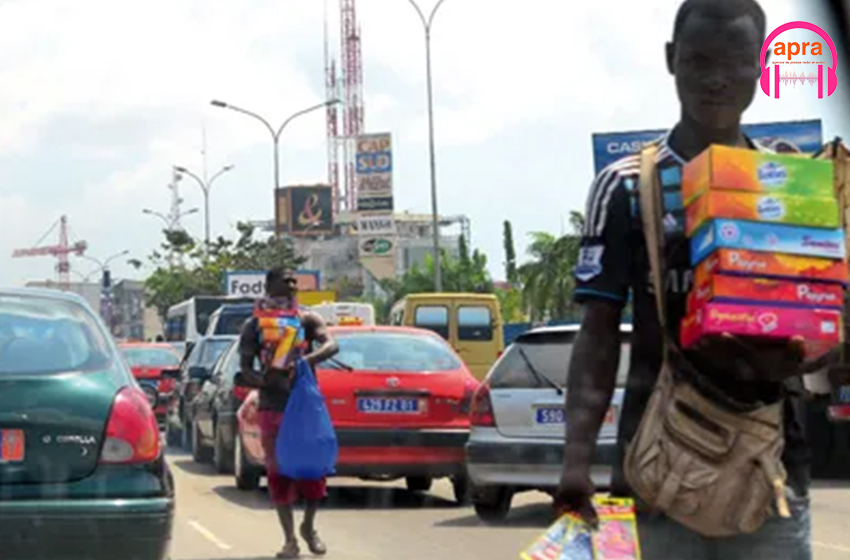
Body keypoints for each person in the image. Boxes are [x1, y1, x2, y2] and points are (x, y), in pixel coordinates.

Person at [555, 1, 819, 558]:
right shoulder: (627, 185)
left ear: (762, 64)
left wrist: (804, 356)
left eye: (735, 61)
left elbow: (823, 325)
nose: (717, 79)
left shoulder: (792, 184)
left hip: (771, 470)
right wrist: (575, 459)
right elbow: (598, 332)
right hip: (656, 473)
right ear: (672, 61)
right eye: (699, 60)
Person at [236, 267, 339, 559]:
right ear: (269, 286)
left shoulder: (307, 319)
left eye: (295, 282)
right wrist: (265, 380)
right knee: (278, 473)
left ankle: (309, 527)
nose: (293, 286)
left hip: (305, 407)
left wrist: (303, 362)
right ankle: (290, 540)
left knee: (314, 469)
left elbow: (332, 345)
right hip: (272, 405)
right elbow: (245, 369)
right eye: (286, 281)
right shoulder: (253, 325)